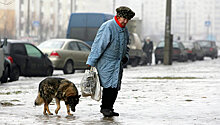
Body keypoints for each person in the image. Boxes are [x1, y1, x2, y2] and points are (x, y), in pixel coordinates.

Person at [86, 6, 135, 117]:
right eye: (124, 19)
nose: (125, 21)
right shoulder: (108, 26)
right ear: (118, 16)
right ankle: (105, 108)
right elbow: (99, 45)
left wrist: (125, 56)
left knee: (115, 87)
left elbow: (126, 46)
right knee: (108, 87)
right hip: (106, 62)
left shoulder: (125, 30)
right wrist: (91, 61)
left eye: (128, 20)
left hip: (117, 63)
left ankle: (110, 108)